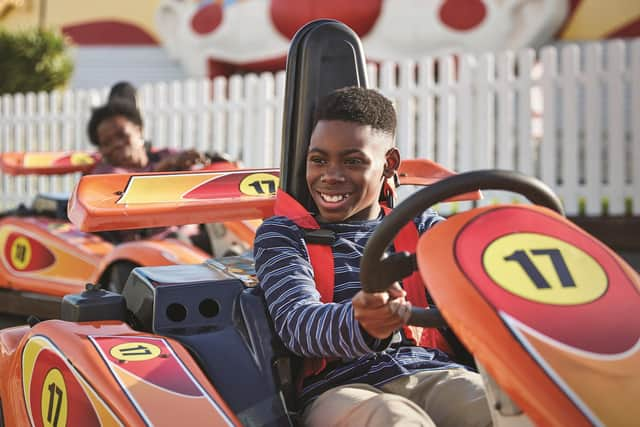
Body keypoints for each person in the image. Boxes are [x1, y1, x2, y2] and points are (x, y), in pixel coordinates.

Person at [253, 87, 492, 427]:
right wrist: (362, 321)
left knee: (495, 402)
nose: (330, 176)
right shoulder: (285, 235)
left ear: (388, 163)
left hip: (431, 370)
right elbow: (296, 323)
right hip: (340, 387)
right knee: (393, 418)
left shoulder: (425, 229)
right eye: (318, 160)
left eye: (352, 161)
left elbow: (475, 290)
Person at [86, 99, 209, 174]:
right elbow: (122, 192)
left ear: (138, 131)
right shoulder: (103, 174)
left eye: (121, 135)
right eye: (107, 142)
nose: (117, 144)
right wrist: (162, 169)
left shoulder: (168, 154)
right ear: (101, 150)